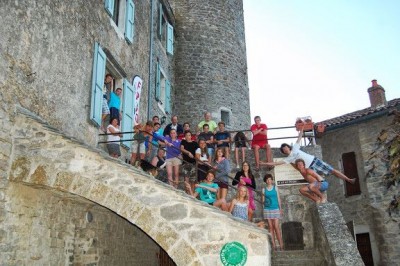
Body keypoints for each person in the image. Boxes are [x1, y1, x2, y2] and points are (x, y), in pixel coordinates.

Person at [262, 126, 356, 184]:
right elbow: (275, 164)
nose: (285, 149)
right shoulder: (289, 159)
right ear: (283, 152)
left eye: (285, 147)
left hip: (314, 161)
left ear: (288, 147)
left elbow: (299, 137)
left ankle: (348, 179)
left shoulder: (295, 148)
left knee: (332, 170)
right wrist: (264, 164)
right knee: (317, 182)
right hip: (309, 169)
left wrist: (302, 128)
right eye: (283, 149)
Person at [262, 174, 284, 251]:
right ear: (265, 181)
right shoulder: (264, 189)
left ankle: (281, 245)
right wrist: (263, 208)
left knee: (276, 227)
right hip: (267, 209)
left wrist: (280, 209)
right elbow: (263, 201)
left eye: (270, 179)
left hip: (276, 209)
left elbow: (278, 198)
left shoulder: (275, 188)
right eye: (267, 179)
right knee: (270, 227)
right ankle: (274, 246)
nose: (269, 181)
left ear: (272, 180)